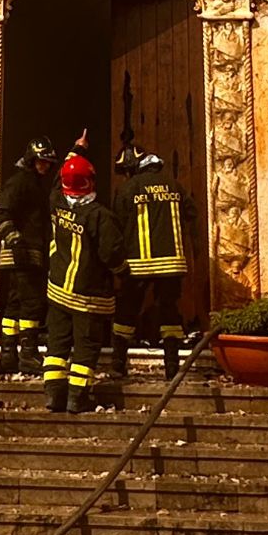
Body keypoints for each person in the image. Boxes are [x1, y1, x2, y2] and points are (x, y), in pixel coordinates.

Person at [44, 141, 125, 414]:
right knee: (85, 348)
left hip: (57, 290)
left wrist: (75, 151)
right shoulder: (100, 216)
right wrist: (123, 273)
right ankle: (77, 397)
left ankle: (54, 396)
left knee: (56, 344)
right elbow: (111, 253)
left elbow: (58, 182)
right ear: (90, 182)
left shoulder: (56, 203)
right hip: (88, 296)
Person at [112, 151, 196, 380]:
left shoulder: (129, 189)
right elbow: (191, 212)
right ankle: (171, 366)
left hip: (138, 264)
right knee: (169, 313)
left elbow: (116, 222)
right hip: (171, 264)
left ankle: (118, 364)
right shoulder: (174, 186)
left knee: (126, 312)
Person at [0, 134, 57, 375]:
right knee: (31, 303)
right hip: (22, 253)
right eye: (42, 161)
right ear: (31, 159)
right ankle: (28, 354)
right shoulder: (20, 182)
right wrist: (15, 239)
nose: (46, 166)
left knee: (14, 304)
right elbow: (2, 214)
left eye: (48, 163)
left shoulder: (32, 182)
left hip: (25, 253)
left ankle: (9, 354)